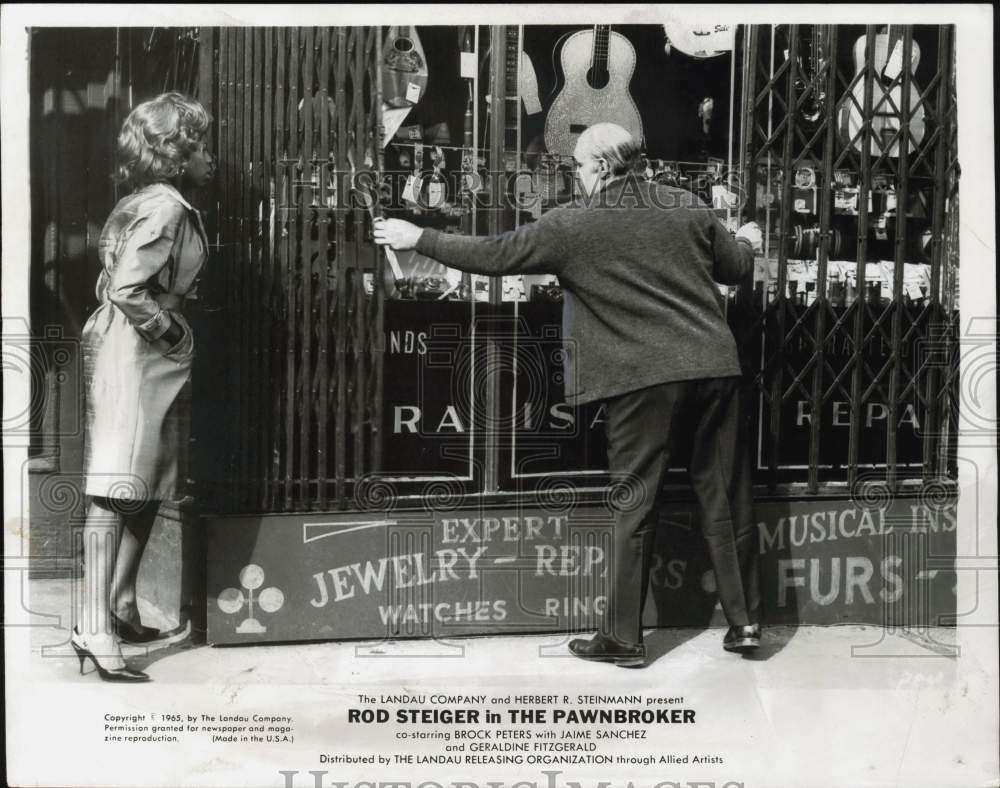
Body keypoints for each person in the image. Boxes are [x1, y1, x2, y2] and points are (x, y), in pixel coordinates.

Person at [374, 122, 763, 668]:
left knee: (635, 504)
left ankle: (624, 638)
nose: (576, 177)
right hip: (715, 368)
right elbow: (737, 269)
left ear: (600, 167)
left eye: (579, 166)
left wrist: (420, 238)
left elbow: (496, 255)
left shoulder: (572, 225)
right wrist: (746, 237)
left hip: (639, 378)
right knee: (724, 495)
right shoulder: (687, 205)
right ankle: (745, 624)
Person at [72, 92, 214, 682]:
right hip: (136, 352)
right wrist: (171, 331)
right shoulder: (166, 208)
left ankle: (122, 603)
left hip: (138, 353)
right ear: (177, 155)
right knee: (115, 488)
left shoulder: (146, 201)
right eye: (202, 146)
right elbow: (127, 290)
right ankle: (92, 625)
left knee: (145, 483)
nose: (212, 158)